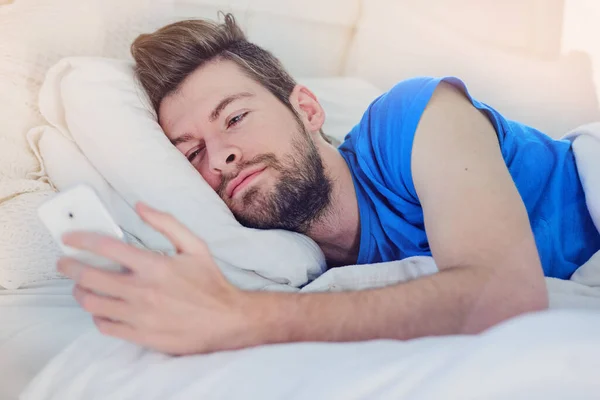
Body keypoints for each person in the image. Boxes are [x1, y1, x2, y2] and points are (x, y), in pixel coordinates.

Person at [58, 14, 600, 355]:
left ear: (308, 108)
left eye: (236, 118)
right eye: (191, 152)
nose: (219, 155)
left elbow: (505, 294)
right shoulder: (292, 269)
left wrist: (240, 318)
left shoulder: (409, 118)